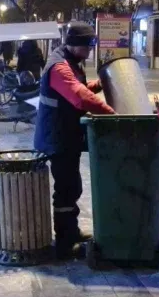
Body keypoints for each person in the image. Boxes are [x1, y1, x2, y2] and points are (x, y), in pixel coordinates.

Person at [34, 22, 116, 259]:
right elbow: (79, 96)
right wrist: (112, 113)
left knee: (71, 186)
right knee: (66, 188)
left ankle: (71, 231)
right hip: (57, 138)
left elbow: (79, 88)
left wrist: (99, 85)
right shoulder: (59, 67)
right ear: (75, 44)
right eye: (87, 46)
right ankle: (64, 241)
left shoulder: (69, 61)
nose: (90, 52)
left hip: (65, 135)